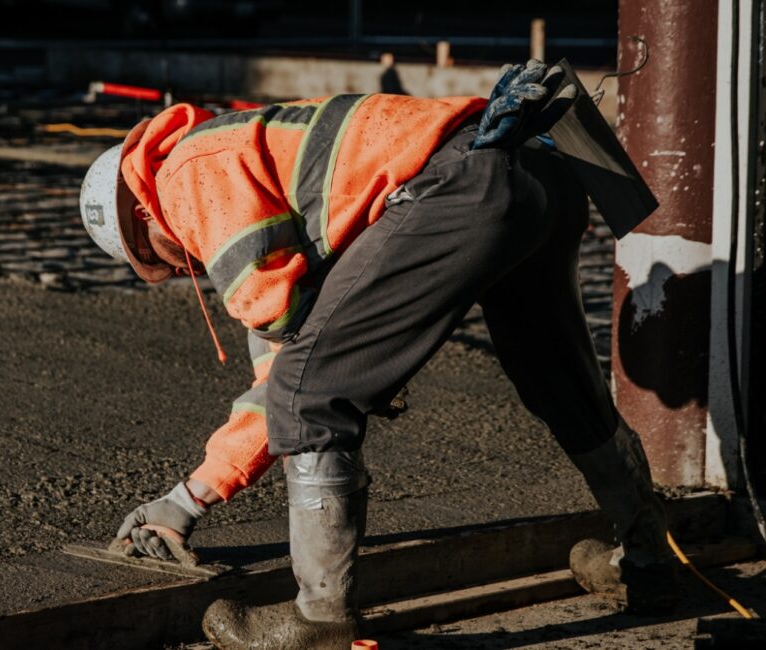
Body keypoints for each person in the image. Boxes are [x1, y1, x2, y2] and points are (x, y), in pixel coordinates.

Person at [78, 60, 678, 649]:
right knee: (559, 381)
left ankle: (320, 620)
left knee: (308, 397)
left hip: (459, 184)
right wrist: (189, 499)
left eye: (163, 257)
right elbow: (284, 357)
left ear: (141, 214)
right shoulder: (252, 164)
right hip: (537, 170)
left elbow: (291, 378)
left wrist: (185, 500)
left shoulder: (188, 178)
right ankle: (648, 558)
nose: (185, 265)